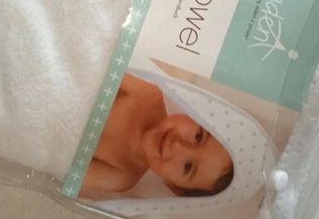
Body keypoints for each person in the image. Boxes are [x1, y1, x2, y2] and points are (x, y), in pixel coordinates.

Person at [80, 72, 233, 198]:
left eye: (188, 166)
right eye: (198, 136)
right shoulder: (149, 92)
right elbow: (99, 66)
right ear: (197, 115)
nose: (178, 146)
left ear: (173, 186)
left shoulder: (121, 176)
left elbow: (69, 168)